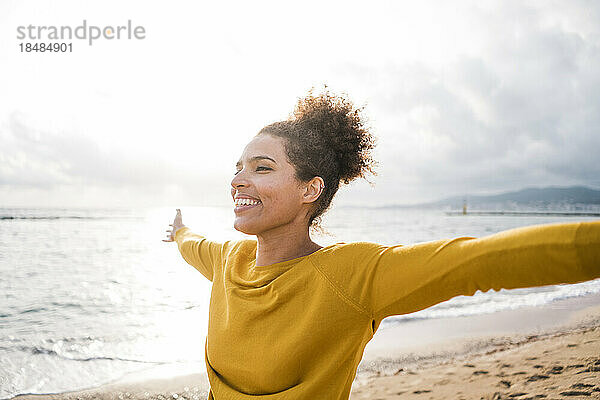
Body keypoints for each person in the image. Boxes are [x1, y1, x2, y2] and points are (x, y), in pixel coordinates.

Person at [162, 88, 600, 400]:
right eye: (238, 168)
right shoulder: (227, 260)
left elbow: (477, 261)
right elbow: (191, 244)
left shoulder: (352, 276)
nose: (238, 179)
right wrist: (180, 230)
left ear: (310, 189)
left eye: (262, 168)